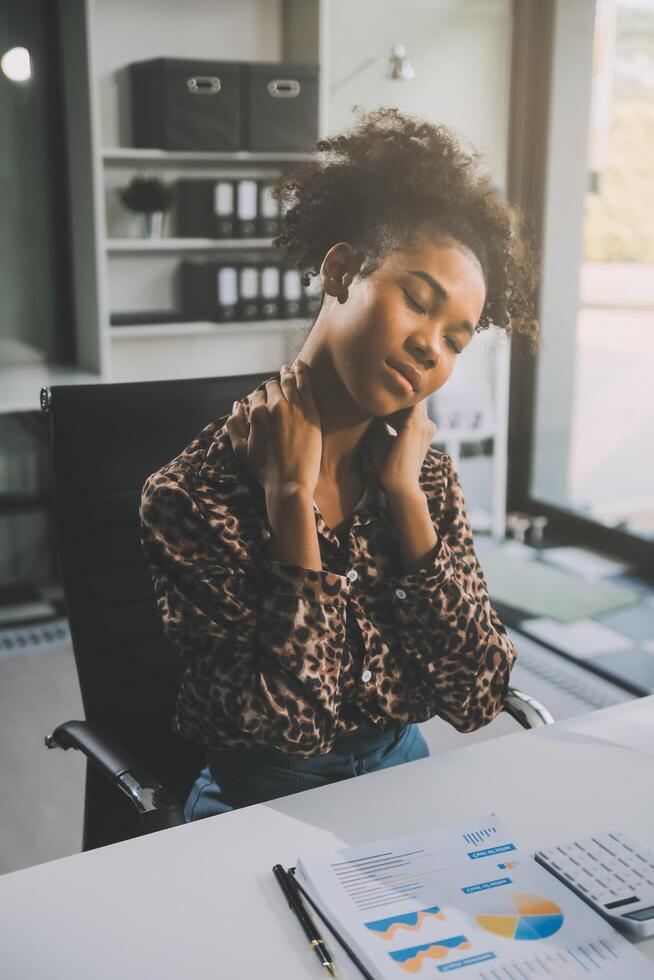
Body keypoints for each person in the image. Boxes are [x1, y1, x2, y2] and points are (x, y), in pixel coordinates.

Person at [139, 108, 540, 821]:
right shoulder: (193, 493)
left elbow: (479, 695)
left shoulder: (426, 478)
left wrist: (406, 501)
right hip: (259, 800)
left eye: (456, 339)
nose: (431, 350)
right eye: (418, 303)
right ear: (342, 271)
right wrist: (291, 500)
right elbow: (287, 728)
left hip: (403, 776)